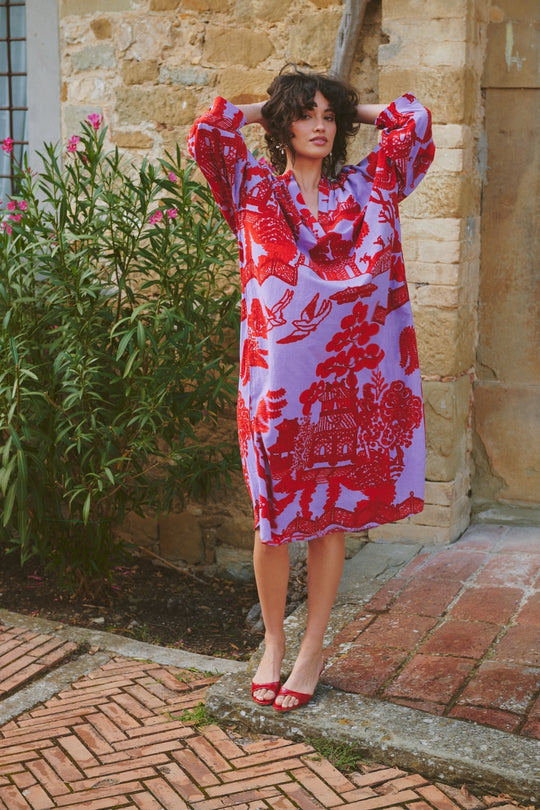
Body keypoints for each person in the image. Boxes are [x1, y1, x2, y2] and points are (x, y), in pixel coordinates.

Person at [188, 65, 435, 711]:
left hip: (353, 386)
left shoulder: (368, 190)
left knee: (330, 521)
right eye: (306, 116)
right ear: (282, 126)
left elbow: (413, 124)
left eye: (329, 117)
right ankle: (273, 642)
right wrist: (273, 106)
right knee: (273, 522)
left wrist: (348, 107)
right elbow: (210, 131)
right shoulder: (253, 192)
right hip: (278, 388)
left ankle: (311, 649)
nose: (320, 127)